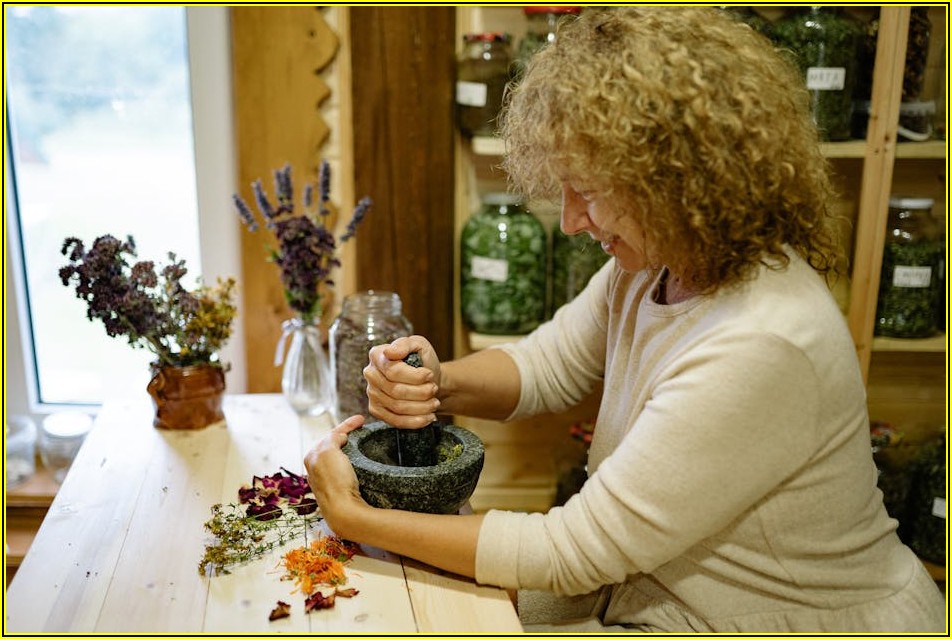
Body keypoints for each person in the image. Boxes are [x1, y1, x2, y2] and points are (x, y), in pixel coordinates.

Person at [304, 6, 946, 632]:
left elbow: (573, 550)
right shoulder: (660, 262)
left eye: (587, 190)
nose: (571, 221)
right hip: (658, 595)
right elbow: (547, 366)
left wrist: (354, 514)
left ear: (678, 179)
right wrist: (437, 382)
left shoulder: (763, 340)